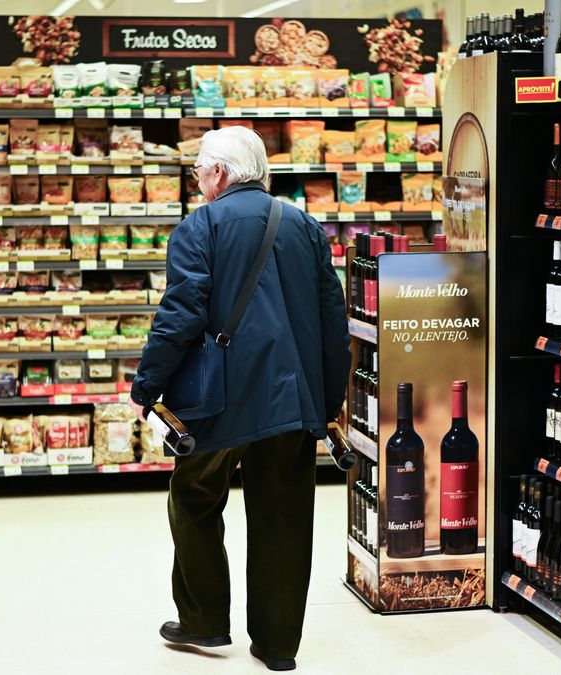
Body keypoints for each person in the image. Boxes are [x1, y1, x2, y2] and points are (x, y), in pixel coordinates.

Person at [128, 126, 350, 672]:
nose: (198, 180)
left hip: (218, 401)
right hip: (291, 400)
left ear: (220, 173)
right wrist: (327, 402)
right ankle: (277, 646)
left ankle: (204, 621)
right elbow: (333, 323)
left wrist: (147, 383)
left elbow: (180, 314)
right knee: (285, 517)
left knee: (194, 498)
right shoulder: (304, 225)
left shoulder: (198, 227)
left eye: (200, 170)